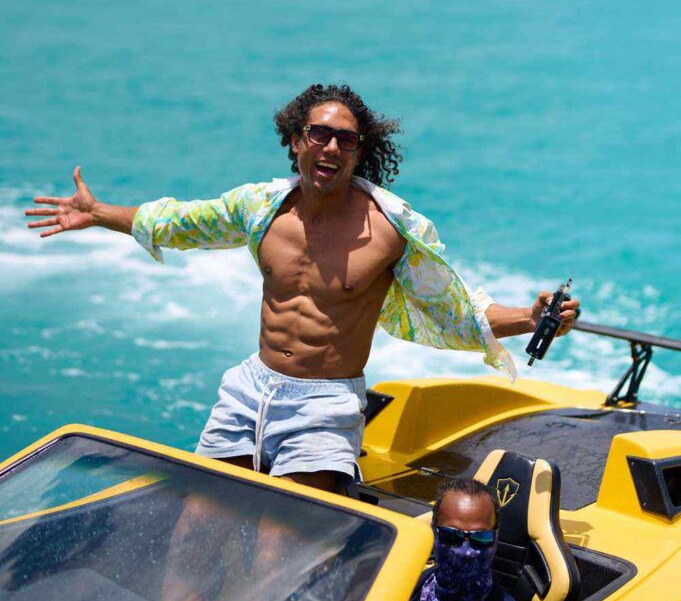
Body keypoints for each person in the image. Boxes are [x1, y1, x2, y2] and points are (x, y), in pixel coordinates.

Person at [26, 82, 579, 495]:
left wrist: (532, 318)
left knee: (282, 548)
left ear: (360, 153)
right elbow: (181, 222)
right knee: (196, 524)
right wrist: (99, 213)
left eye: (346, 140)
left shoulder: (391, 230)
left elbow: (455, 308)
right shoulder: (261, 207)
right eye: (320, 134)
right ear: (296, 142)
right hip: (249, 390)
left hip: (326, 404)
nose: (331, 148)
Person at [399, 478, 532, 601]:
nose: (466, 552)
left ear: (496, 539)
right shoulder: (399, 591)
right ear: (434, 532)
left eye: (481, 538)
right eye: (451, 536)